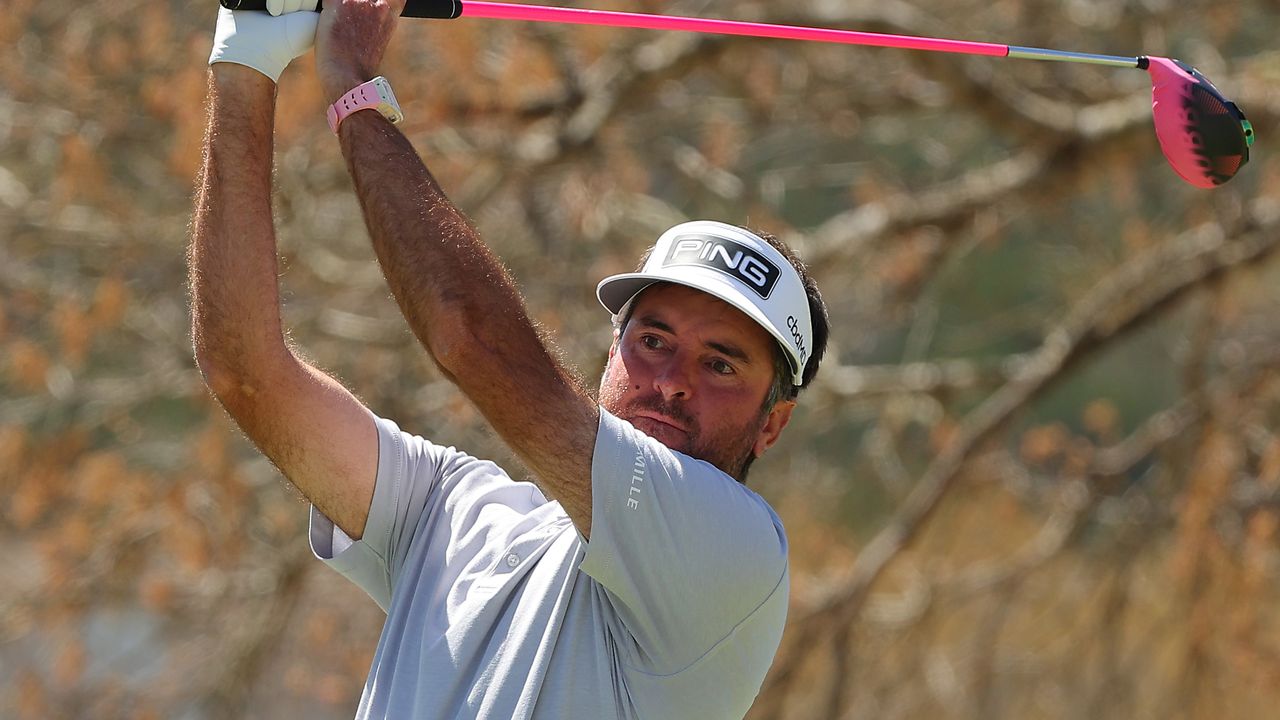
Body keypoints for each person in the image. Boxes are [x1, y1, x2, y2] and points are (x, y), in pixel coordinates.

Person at [189, 1, 829, 717]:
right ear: (611, 349)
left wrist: (353, 86)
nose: (672, 382)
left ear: (773, 424)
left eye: (721, 365)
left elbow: (468, 335)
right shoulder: (455, 511)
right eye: (653, 341)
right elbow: (244, 371)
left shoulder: (736, 554)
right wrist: (245, 58)